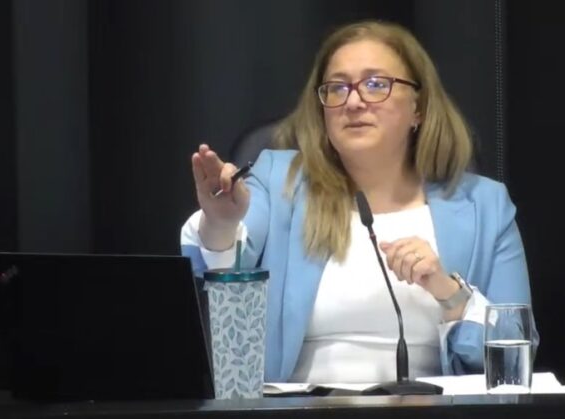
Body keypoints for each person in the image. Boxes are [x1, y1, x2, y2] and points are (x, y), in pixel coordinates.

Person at [181, 20, 536, 384]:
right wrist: (221, 223)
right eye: (337, 88)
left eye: (376, 84)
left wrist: (448, 293)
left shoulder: (485, 206)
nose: (352, 102)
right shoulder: (278, 181)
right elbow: (218, 281)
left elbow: (516, 350)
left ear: (418, 107)